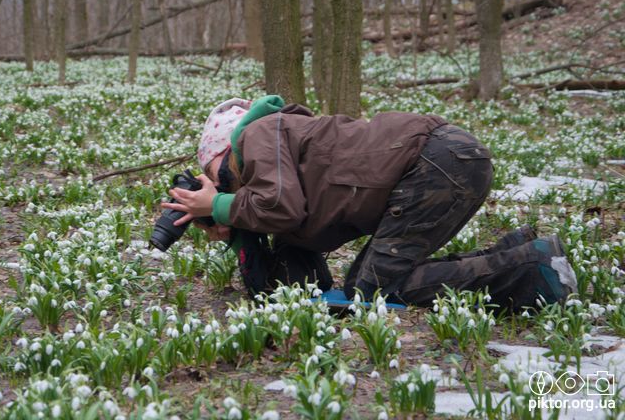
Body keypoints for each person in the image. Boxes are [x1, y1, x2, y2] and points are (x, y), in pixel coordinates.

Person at [162, 95, 577, 310]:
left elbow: (280, 208)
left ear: (225, 147)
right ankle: (519, 252)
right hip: (446, 161)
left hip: (435, 162)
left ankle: (534, 272)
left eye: (212, 172)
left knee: (376, 293)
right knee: (362, 287)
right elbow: (298, 284)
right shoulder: (285, 167)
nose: (214, 186)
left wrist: (216, 206)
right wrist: (236, 234)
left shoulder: (258, 134)